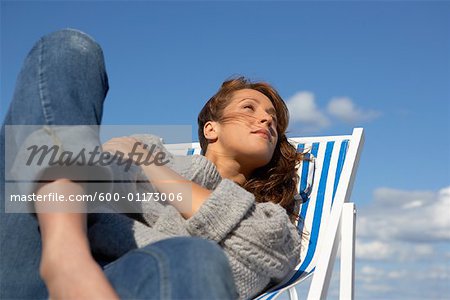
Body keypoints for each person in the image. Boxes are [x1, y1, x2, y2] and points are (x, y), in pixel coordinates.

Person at [0, 28, 303, 300]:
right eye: (249, 108)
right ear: (212, 129)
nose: (266, 119)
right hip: (35, 250)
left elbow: (238, 275)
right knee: (69, 49)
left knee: (198, 258)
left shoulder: (271, 217)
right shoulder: (153, 146)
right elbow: (91, 183)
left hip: (124, 286)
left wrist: (151, 167)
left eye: (272, 119)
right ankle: (65, 257)